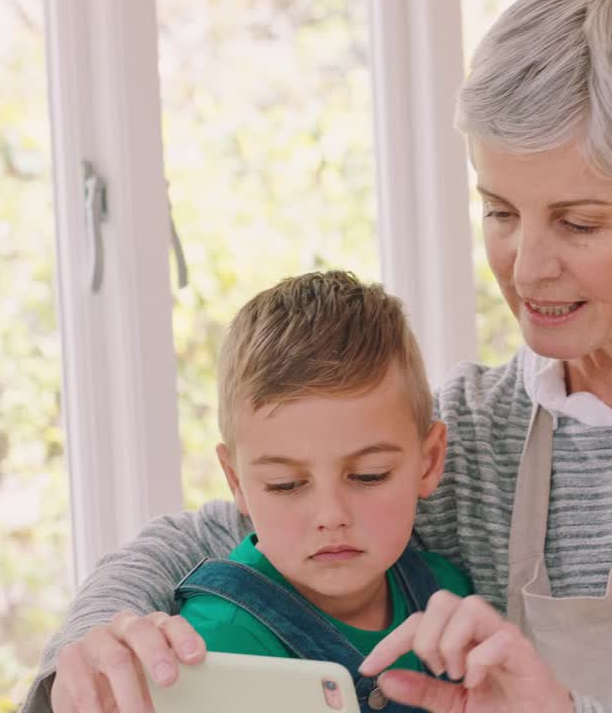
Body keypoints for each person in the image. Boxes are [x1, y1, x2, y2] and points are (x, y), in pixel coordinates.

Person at [23, 0, 612, 711]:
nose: (527, 267)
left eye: (576, 220)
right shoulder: (479, 433)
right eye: (499, 211)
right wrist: (85, 650)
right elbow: (222, 531)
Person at [171, 271, 472, 695]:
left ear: (429, 462)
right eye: (286, 484)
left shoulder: (448, 598)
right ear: (236, 481)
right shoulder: (216, 646)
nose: (331, 516)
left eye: (370, 475)